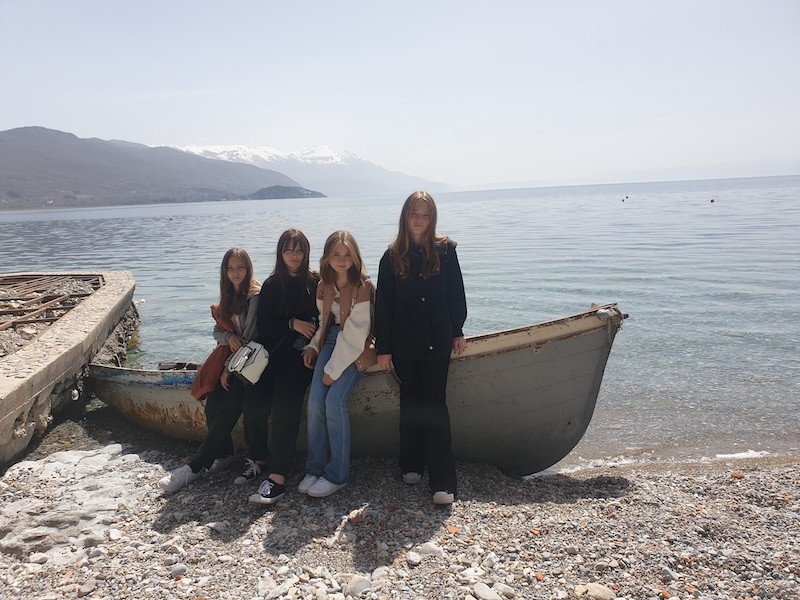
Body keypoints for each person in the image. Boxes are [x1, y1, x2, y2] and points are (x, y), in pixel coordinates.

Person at [374, 191, 467, 505]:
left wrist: (457, 329)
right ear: (405, 216)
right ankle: (411, 463)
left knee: (435, 406)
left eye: (425, 214)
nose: (419, 219)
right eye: (414, 213)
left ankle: (443, 480)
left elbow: (456, 293)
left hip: (437, 340)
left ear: (432, 219)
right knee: (410, 404)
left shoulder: (446, 251)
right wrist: (383, 348)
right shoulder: (391, 257)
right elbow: (384, 306)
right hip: (404, 343)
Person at [160, 248, 261, 493]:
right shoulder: (228, 296)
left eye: (240, 268)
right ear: (224, 272)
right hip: (235, 361)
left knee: (229, 408)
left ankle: (195, 467)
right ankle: (224, 454)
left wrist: (227, 369)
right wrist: (228, 337)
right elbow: (218, 331)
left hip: (252, 365)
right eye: (231, 268)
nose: (236, 273)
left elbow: (250, 338)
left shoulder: (254, 297)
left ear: (248, 269)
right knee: (213, 403)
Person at [245, 228, 319, 505]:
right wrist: (292, 323)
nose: (294, 256)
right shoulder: (272, 284)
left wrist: (312, 344)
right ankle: (259, 458)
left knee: (285, 405)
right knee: (254, 397)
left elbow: (325, 320)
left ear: (306, 252)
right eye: (288, 250)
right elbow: (265, 327)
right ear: (280, 253)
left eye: (299, 250)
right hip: (272, 353)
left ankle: (277, 478)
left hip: (301, 356)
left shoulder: (315, 282)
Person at [299, 230, 373, 498]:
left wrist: (332, 370)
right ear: (327, 258)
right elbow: (324, 323)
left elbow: (356, 333)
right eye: (336, 254)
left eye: (347, 254)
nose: (342, 260)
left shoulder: (364, 286)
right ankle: (315, 468)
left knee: (334, 403)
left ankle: (337, 475)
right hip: (331, 340)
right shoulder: (324, 285)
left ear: (355, 257)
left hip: (357, 346)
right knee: (315, 403)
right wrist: (313, 346)